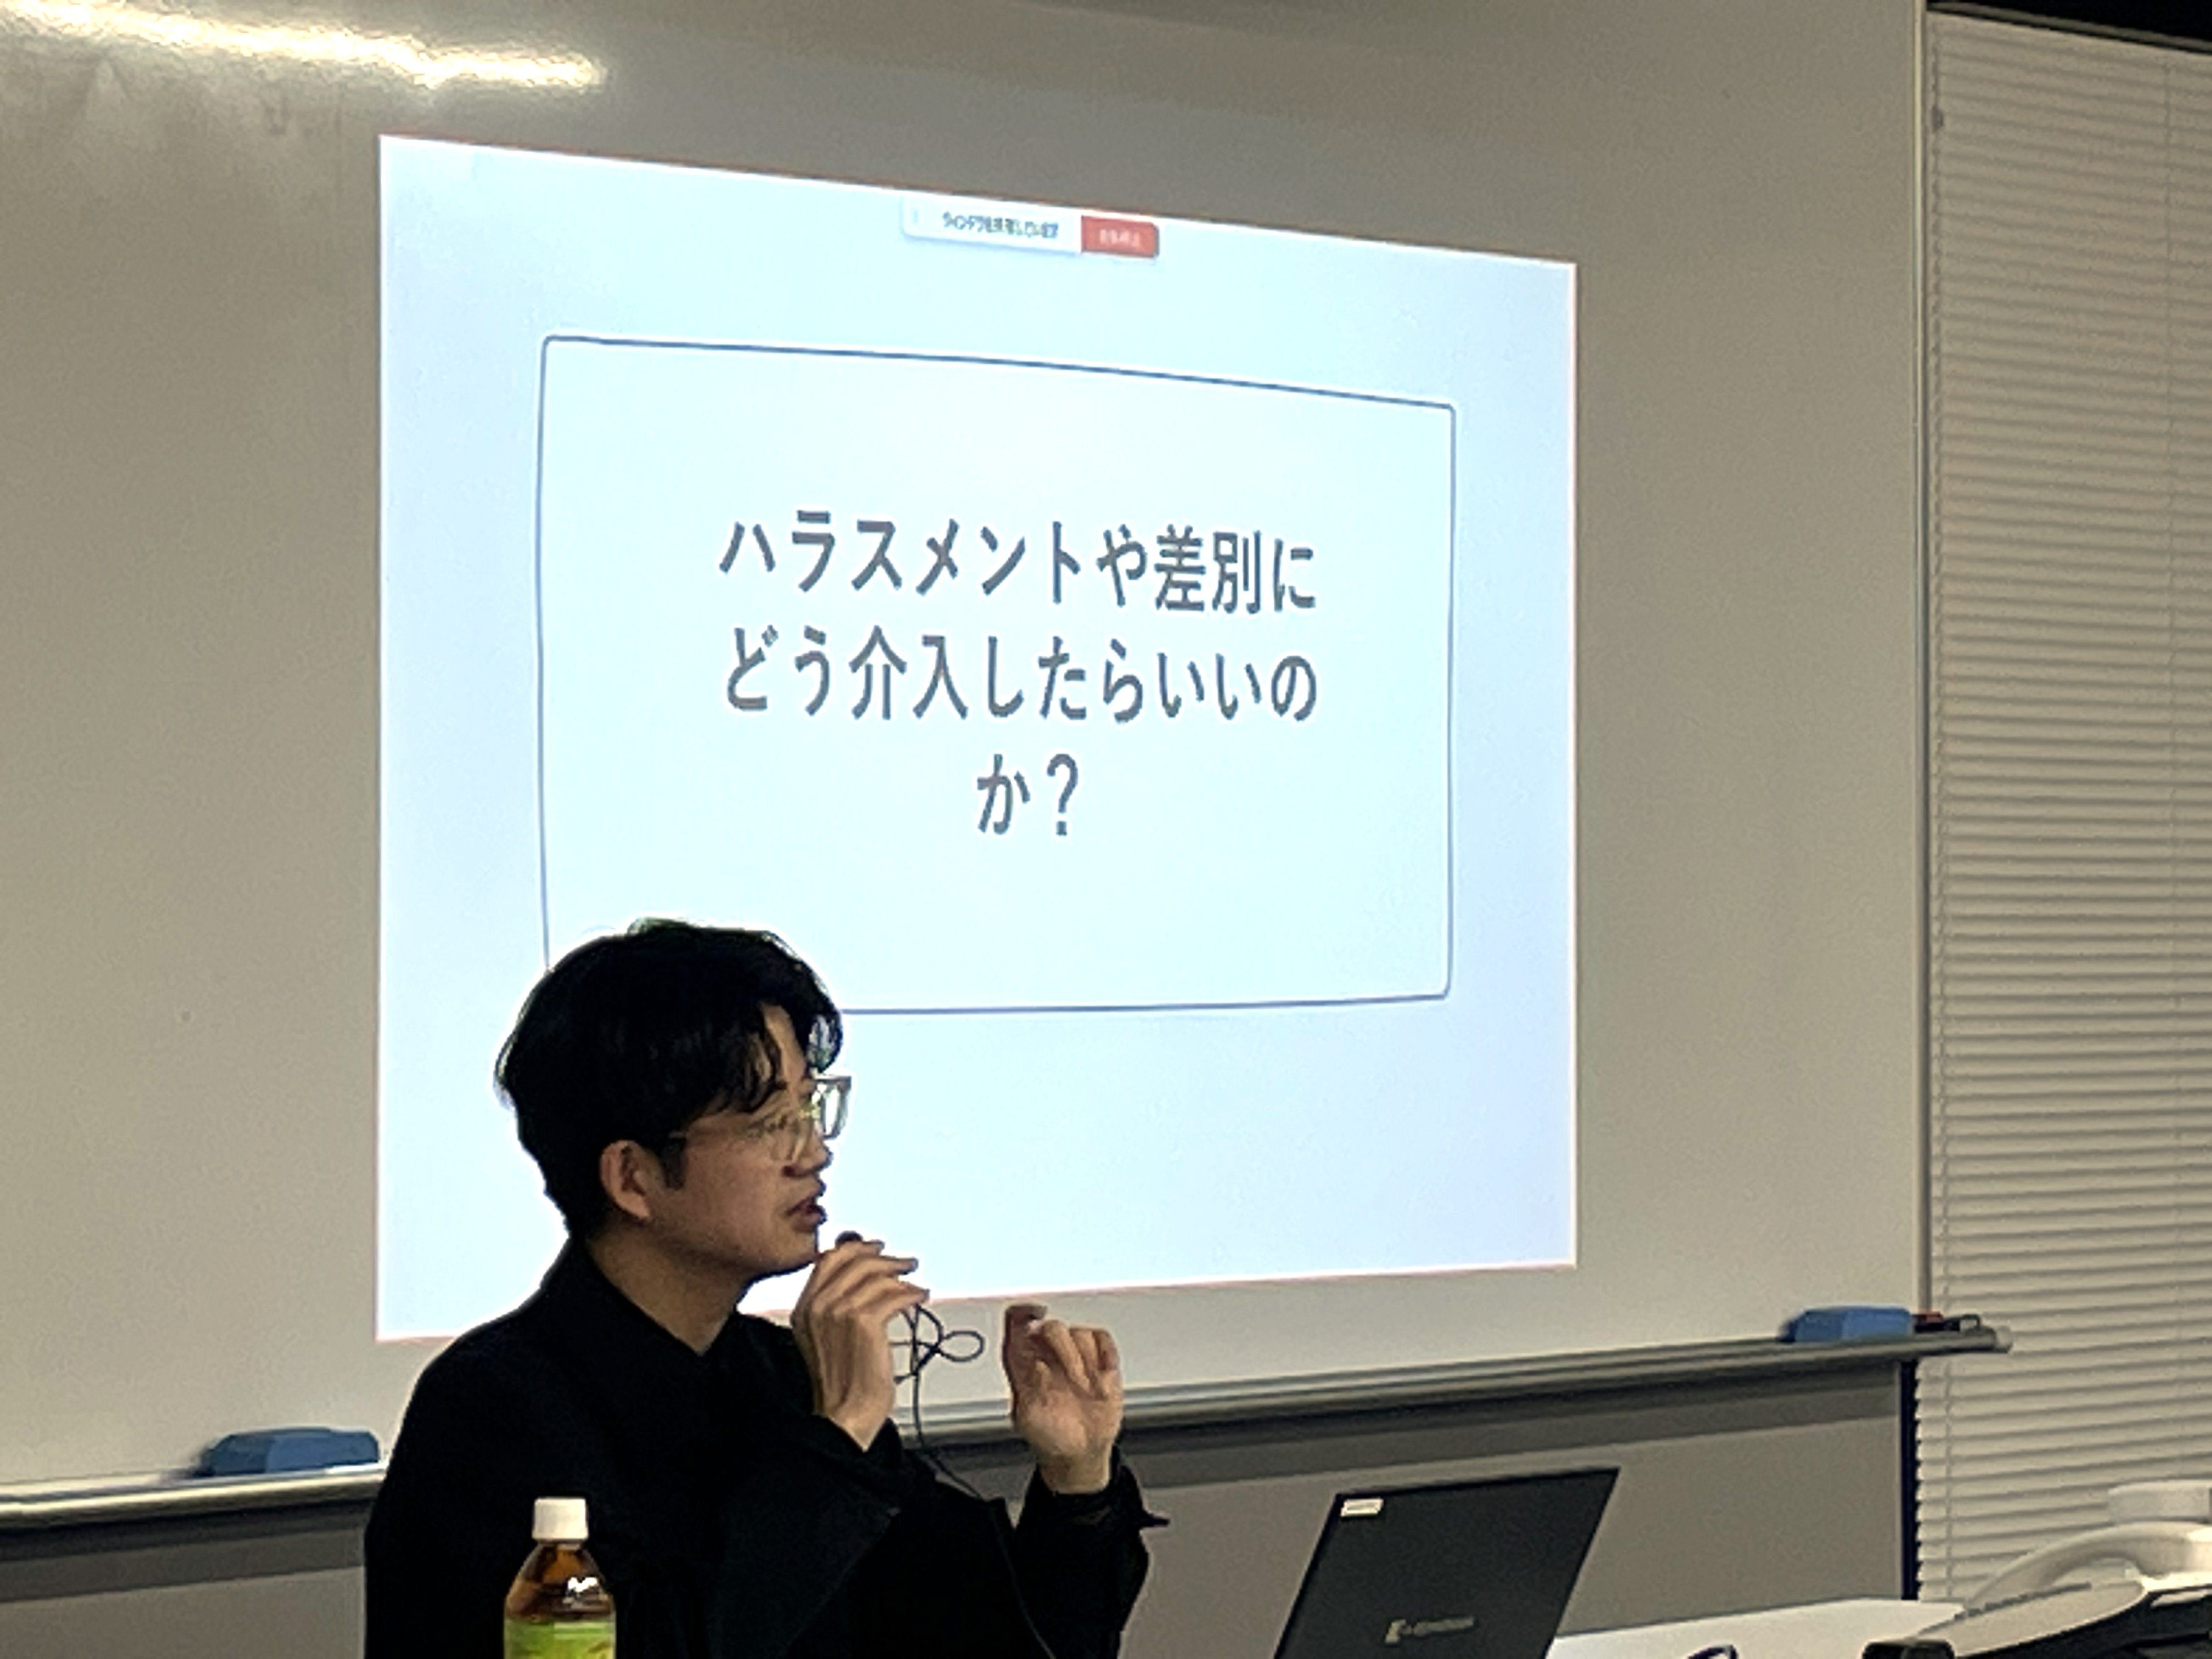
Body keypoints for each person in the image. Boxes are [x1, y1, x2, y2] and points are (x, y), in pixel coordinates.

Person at [364, 920, 1157, 1658]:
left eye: (811, 1107)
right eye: (770, 1121)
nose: (813, 1152)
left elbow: (998, 1640)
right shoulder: (494, 1413)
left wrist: (1076, 1479)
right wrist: (838, 1437)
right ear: (633, 1177)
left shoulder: (779, 1375)